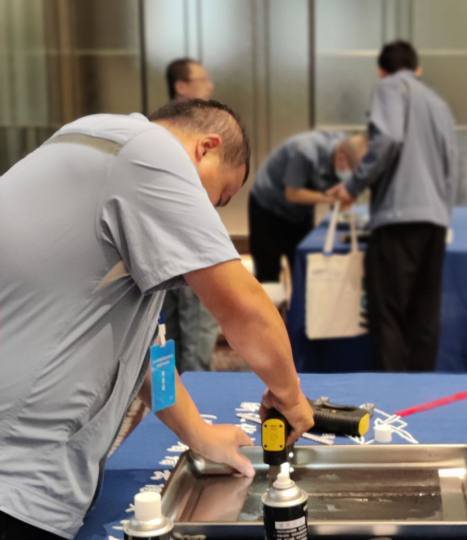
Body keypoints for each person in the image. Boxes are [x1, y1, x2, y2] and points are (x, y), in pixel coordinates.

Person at [0, 99, 314, 539]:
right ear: (206, 148)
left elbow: (142, 352)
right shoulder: (149, 152)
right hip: (16, 476)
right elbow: (244, 307)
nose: (210, 213)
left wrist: (199, 433)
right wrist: (291, 398)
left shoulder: (96, 146)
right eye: (218, 197)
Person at [328, 40, 459, 372]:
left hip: (398, 218)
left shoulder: (389, 87)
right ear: (417, 69)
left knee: (388, 313)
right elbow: (452, 162)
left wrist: (353, 185)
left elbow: (388, 138)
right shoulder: (438, 102)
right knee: (424, 315)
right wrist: (443, 212)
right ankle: (421, 389)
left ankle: (392, 394)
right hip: (435, 220)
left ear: (381, 71)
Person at [162, 57, 220, 372]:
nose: (210, 86)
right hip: (188, 236)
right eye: (202, 80)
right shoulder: (191, 128)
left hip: (160, 241)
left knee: (168, 329)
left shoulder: (160, 124)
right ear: (181, 86)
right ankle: (197, 397)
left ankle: (171, 396)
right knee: (196, 324)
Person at [249, 131, 367, 282]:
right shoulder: (305, 152)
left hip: (300, 212)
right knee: (268, 272)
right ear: (341, 158)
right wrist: (333, 198)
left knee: (302, 267)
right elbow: (292, 194)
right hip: (268, 206)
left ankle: (298, 297)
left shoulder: (347, 148)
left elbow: (338, 187)